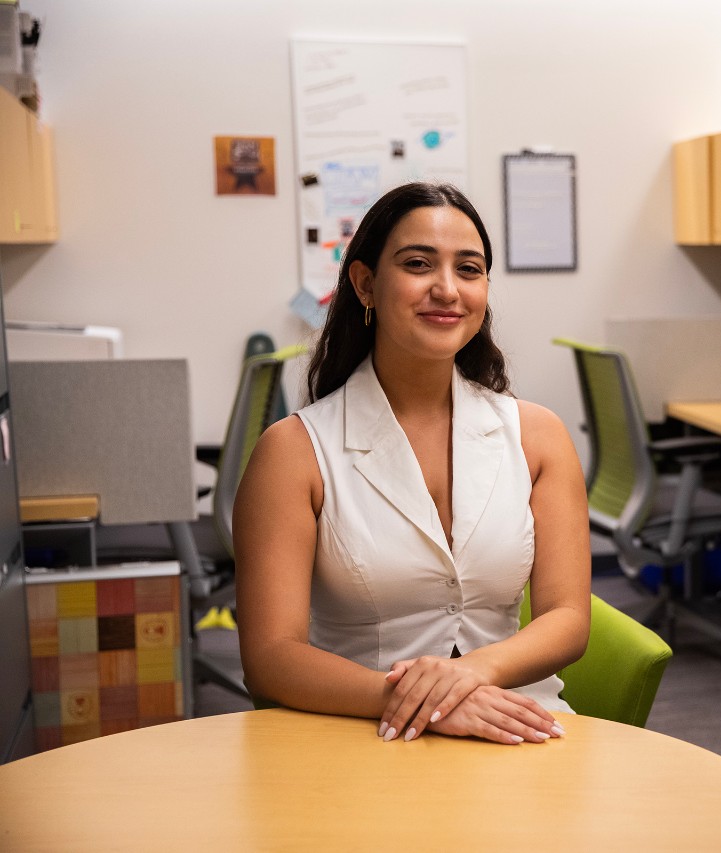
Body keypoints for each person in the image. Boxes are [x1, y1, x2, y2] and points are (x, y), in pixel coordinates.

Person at [234, 182, 591, 746]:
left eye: (469, 270)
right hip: (357, 730)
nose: (446, 289)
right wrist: (423, 702)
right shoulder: (294, 451)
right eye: (418, 264)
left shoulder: (538, 437)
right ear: (366, 284)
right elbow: (271, 656)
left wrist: (469, 674)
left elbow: (567, 617)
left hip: (517, 726)